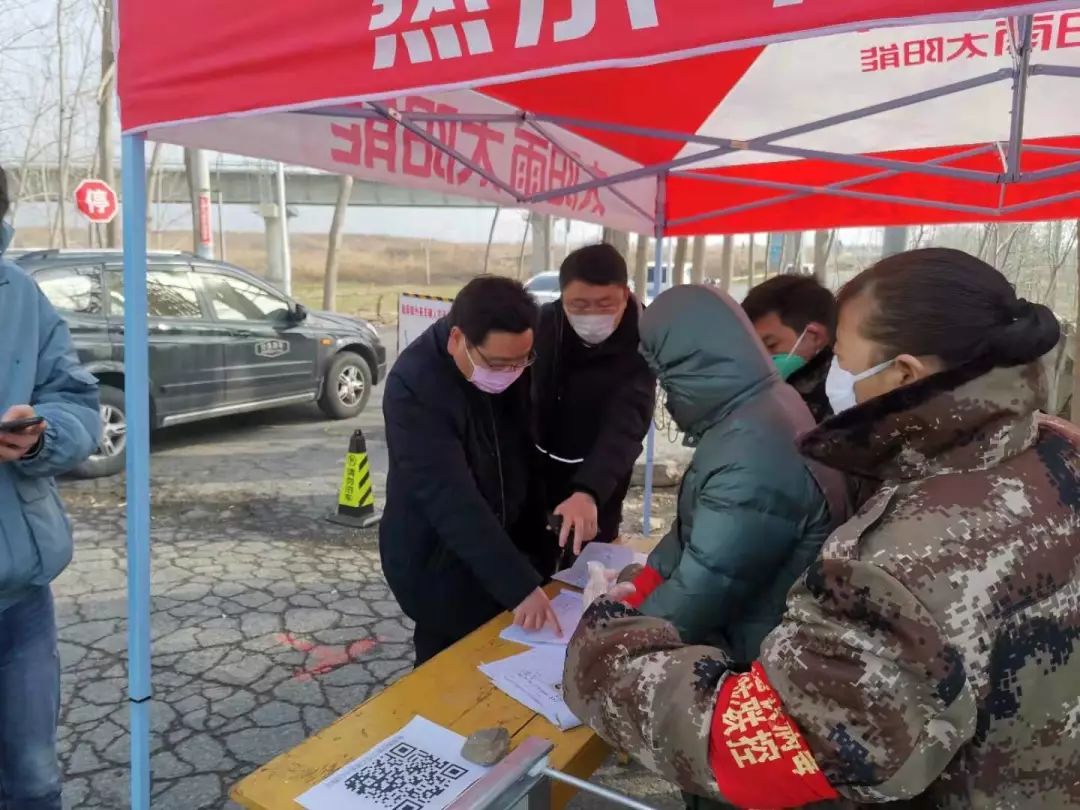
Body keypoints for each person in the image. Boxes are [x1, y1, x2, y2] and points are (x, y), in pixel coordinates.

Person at [565, 248, 1080, 809]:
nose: (831, 373)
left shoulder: (908, 557)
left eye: (841, 356)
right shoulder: (1057, 448)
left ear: (904, 373)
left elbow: (756, 746)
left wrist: (603, 652)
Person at [618, 285, 848, 665]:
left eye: (665, 376)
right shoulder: (755, 409)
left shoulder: (752, 451)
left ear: (687, 368)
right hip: (743, 622)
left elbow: (706, 586)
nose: (664, 392)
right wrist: (646, 581)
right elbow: (699, 531)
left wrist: (620, 643)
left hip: (750, 652)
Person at [380, 276, 561, 667]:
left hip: (502, 543)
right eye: (498, 363)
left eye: (522, 361)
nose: (511, 372)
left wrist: (541, 545)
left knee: (509, 657)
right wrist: (519, 584)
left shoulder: (509, 356)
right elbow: (449, 498)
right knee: (446, 664)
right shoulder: (413, 387)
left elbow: (524, 453)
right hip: (436, 558)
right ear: (457, 338)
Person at [0, 165, 101, 810]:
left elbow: (78, 402)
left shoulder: (17, 294)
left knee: (33, 784)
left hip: (17, 599)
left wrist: (41, 437)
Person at [531, 243, 655, 556]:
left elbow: (626, 426)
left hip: (600, 478)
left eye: (604, 303)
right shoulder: (543, 326)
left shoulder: (644, 341)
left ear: (625, 295)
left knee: (586, 569)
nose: (592, 314)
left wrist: (588, 490)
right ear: (563, 298)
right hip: (536, 474)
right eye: (579, 304)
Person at [742, 274, 836, 422]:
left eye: (771, 345)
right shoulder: (768, 393)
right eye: (753, 348)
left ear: (814, 337)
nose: (760, 357)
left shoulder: (840, 399)